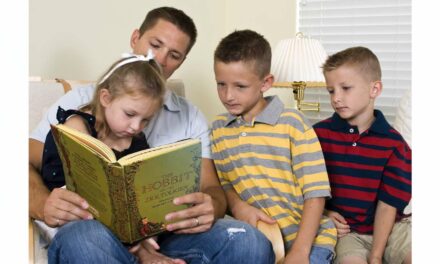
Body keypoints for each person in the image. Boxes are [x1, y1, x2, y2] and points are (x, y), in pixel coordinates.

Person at [29, 7, 274, 264]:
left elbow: (212, 187)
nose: (160, 59)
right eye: (155, 44)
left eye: (174, 55)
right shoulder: (79, 104)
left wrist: (212, 206)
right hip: (92, 232)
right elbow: (22, 164)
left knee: (248, 241)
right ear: (135, 38)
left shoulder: (189, 116)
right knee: (84, 241)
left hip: (167, 233)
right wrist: (43, 202)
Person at [210, 29, 336, 264]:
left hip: (309, 241)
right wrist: (238, 206)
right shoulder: (218, 129)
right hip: (263, 240)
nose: (228, 95)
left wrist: (299, 252)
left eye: (240, 86)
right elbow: (223, 185)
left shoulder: (293, 124)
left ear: (266, 83)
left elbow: (316, 194)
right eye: (221, 84)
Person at [313, 46, 412, 264]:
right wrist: (325, 214)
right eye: (331, 91)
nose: (336, 98)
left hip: (393, 228)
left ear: (374, 89)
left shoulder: (394, 144)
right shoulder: (318, 135)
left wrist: (376, 256)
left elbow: (388, 205)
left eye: (346, 88)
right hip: (350, 233)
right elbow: (305, 190)